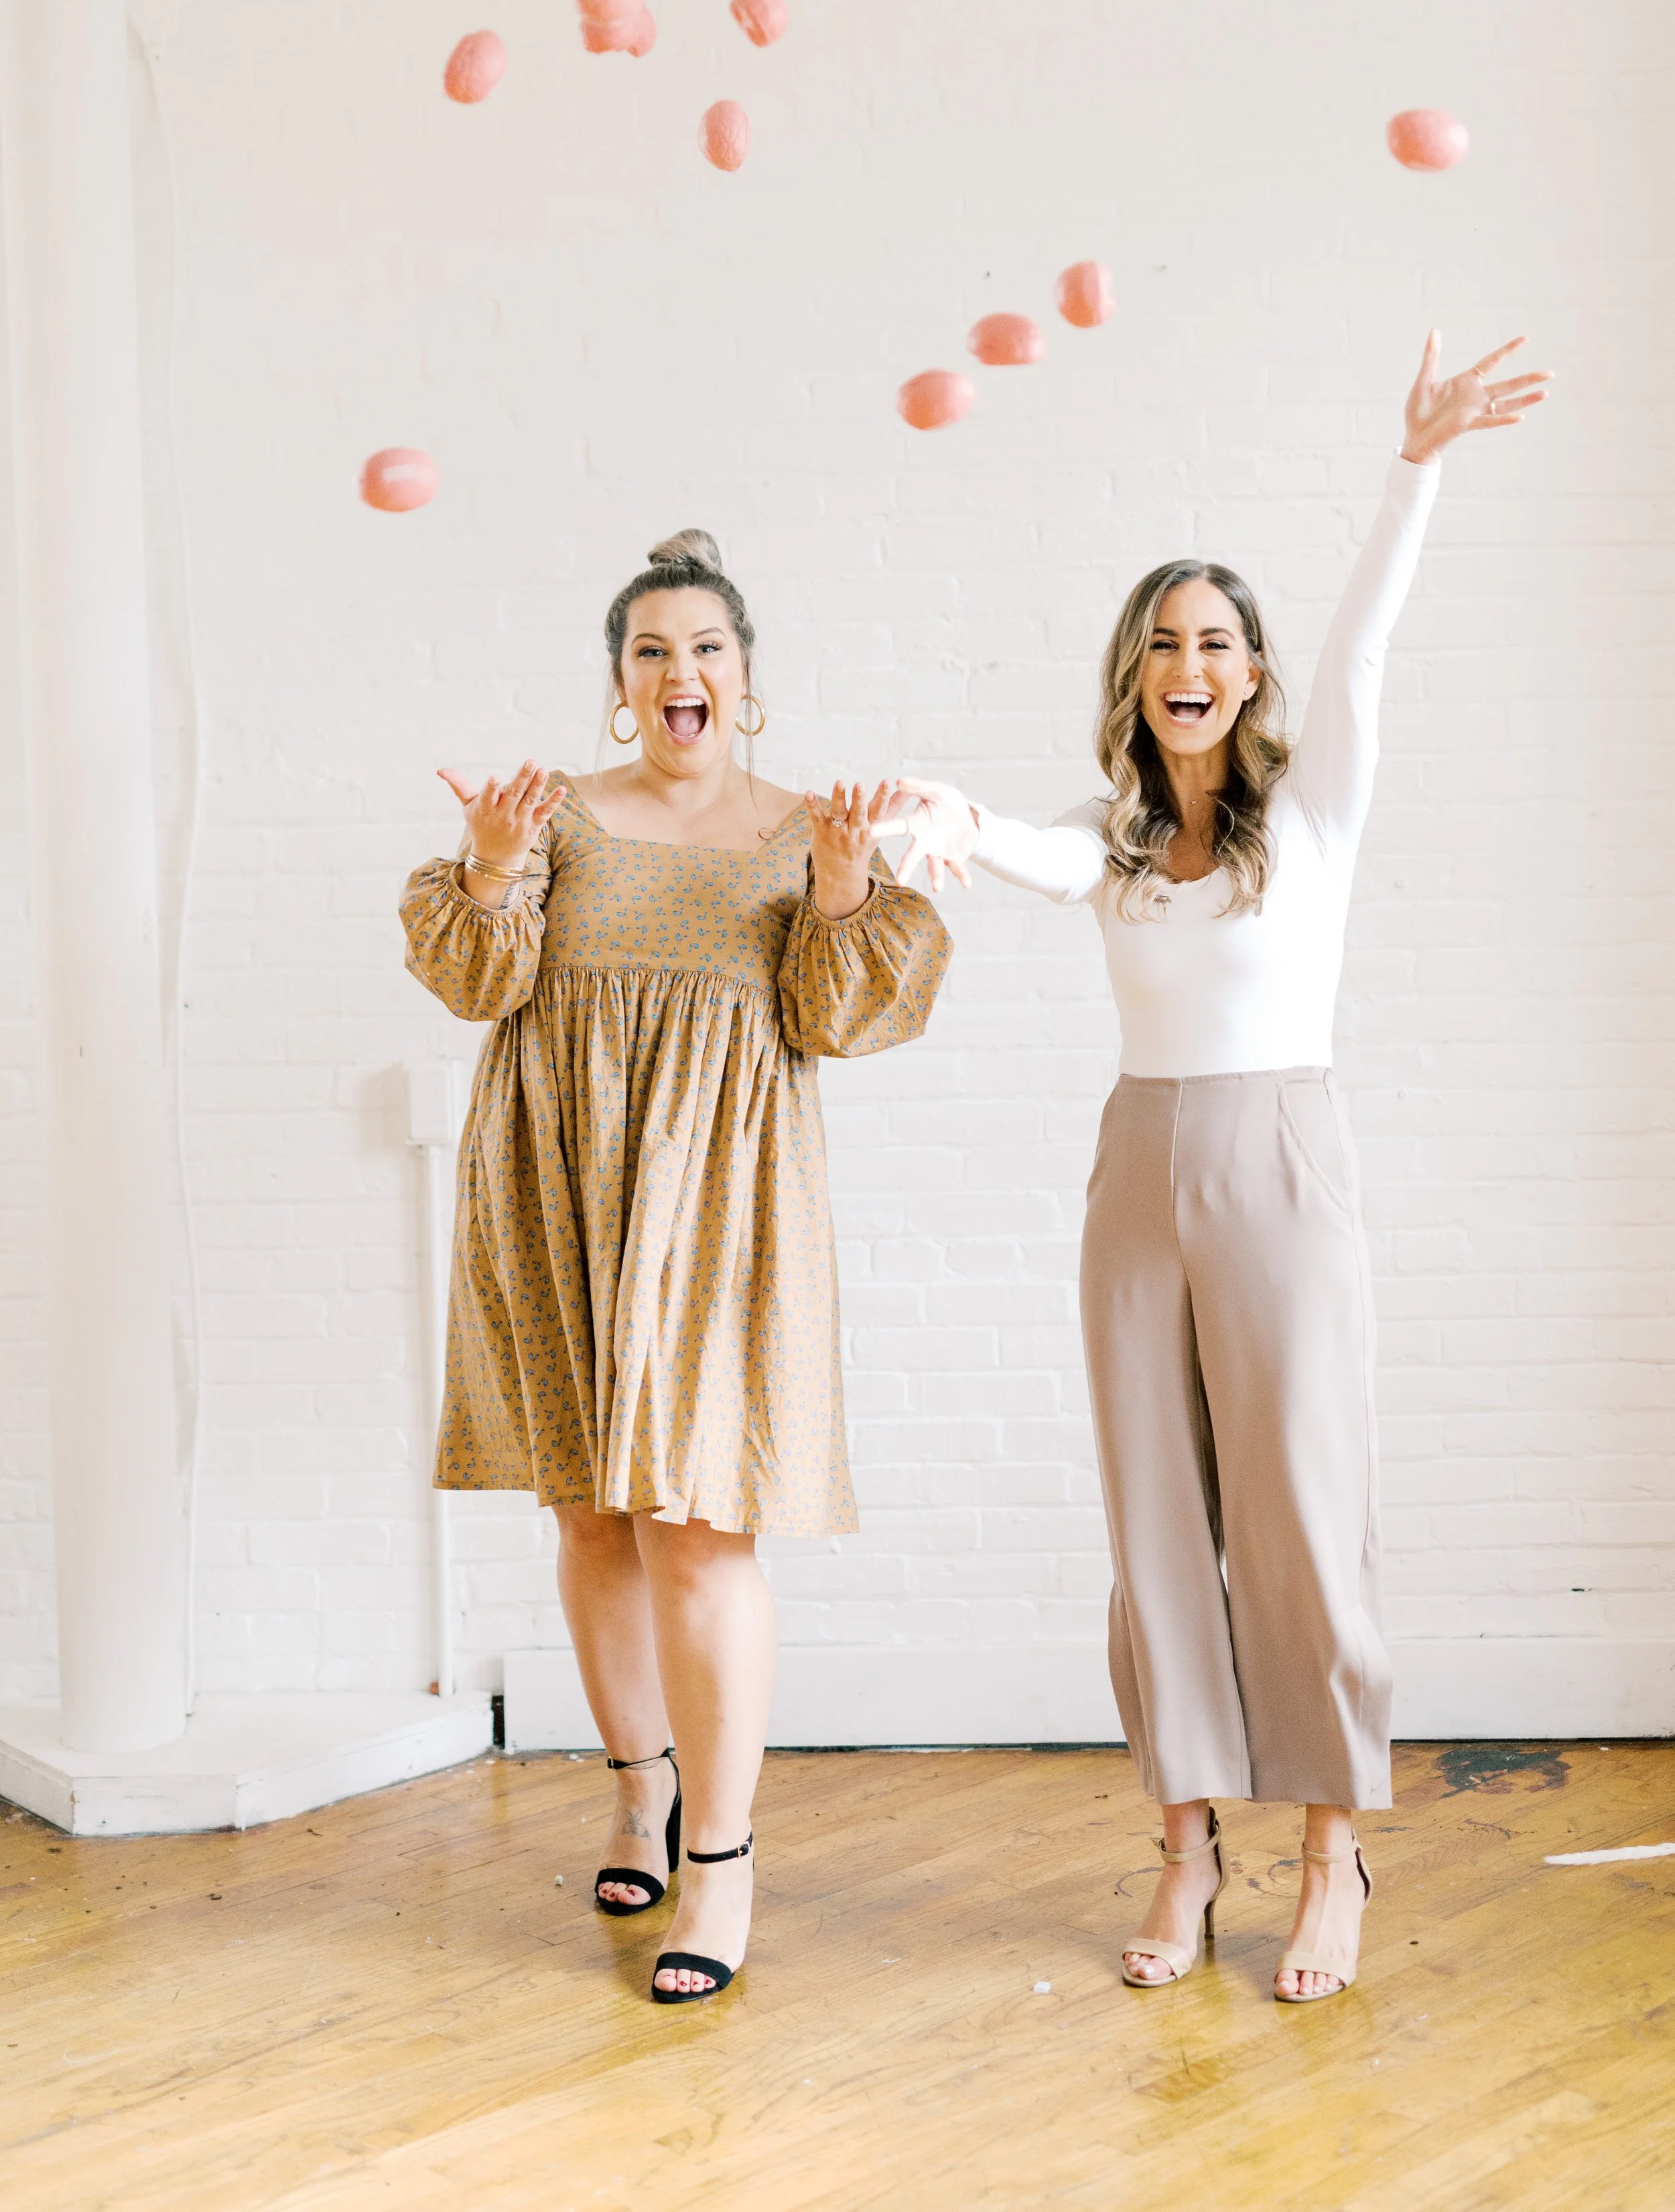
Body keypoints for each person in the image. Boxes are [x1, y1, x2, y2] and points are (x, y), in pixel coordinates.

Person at [886, 331, 1551, 2002]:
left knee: (1302, 1519)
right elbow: (1016, 852)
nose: (1191, 661)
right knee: (1157, 1531)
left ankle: (1331, 1851)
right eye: (1163, 642)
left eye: (1216, 640)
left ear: (1248, 673)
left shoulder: (1312, 815)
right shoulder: (1113, 845)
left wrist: (1415, 464)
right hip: (1138, 1171)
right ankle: (1186, 1849)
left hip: (1277, 1160)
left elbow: (1367, 649)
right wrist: (938, 823)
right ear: (1137, 676)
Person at [399, 528, 951, 2004]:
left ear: (745, 678)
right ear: (618, 684)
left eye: (704, 648)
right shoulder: (554, 819)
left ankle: (722, 1860)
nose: (678, 672)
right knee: (588, 1511)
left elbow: (842, 1021)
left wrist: (840, 895)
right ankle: (635, 1787)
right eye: (650, 651)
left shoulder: (802, 831)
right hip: (554, 1187)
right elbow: (478, 984)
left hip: (723, 1212)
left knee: (701, 1528)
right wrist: (494, 866)